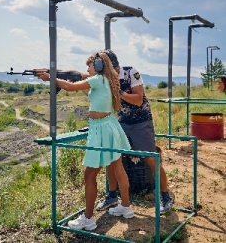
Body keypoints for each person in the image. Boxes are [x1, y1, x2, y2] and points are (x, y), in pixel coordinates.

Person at [38, 51, 134, 231]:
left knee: (89, 175)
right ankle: (126, 207)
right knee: (118, 168)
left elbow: (70, 87)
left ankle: (88, 219)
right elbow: (77, 78)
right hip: (109, 125)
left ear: (98, 66)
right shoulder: (109, 80)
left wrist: (51, 78)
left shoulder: (97, 80)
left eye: (89, 66)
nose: (87, 69)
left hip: (100, 129)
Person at [95, 49, 174, 215]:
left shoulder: (131, 72)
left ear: (114, 66)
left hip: (141, 122)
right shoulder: (104, 78)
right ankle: (111, 195)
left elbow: (138, 99)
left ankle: (165, 196)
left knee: (152, 159)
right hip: (122, 122)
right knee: (113, 158)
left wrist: (120, 92)